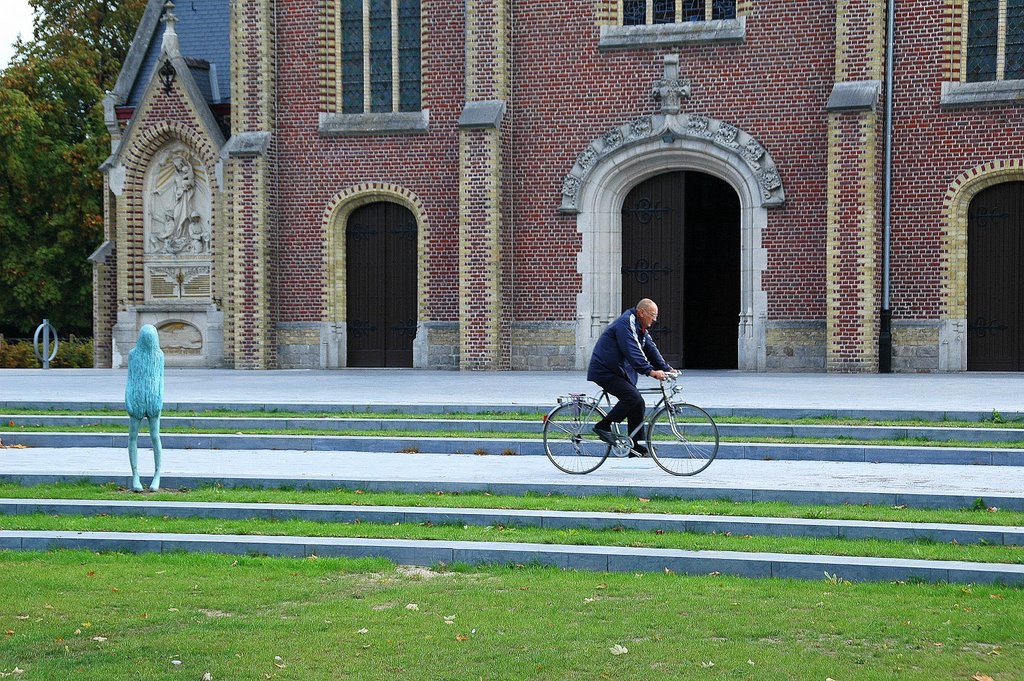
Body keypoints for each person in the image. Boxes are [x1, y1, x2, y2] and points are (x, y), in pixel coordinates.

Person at [587, 298, 673, 457]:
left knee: (638, 401)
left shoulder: (640, 326)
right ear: (642, 312)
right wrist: (650, 371)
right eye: (653, 315)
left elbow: (650, 347)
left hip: (617, 370)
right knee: (632, 397)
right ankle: (603, 426)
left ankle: (634, 446)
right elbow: (633, 350)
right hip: (604, 370)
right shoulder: (626, 323)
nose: (655, 319)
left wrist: (666, 368)